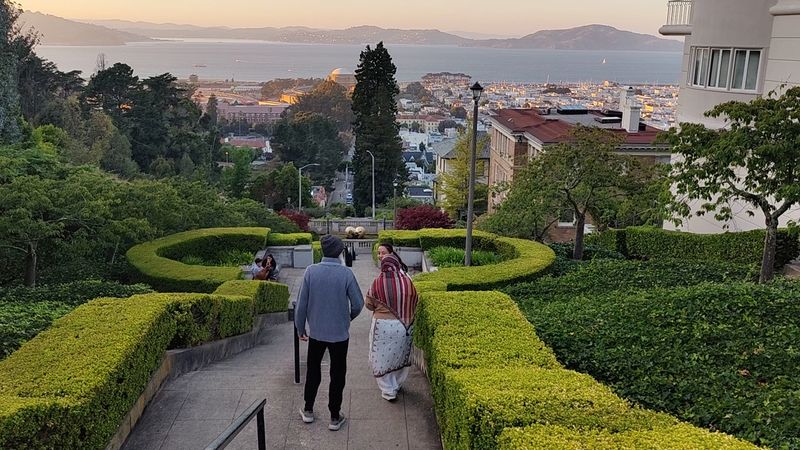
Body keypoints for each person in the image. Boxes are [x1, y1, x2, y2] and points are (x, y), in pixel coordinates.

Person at [294, 235, 364, 431]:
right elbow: (358, 304)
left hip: (316, 333)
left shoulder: (311, 271)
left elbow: (301, 305)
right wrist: (347, 318)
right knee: (338, 373)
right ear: (340, 252)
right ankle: (334, 415)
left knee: (313, 370)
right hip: (340, 334)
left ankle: (308, 409)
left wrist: (301, 328)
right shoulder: (346, 274)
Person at [366, 253, 418, 401]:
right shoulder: (408, 281)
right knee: (400, 355)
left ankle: (388, 390)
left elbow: (369, 304)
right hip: (405, 326)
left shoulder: (377, 282)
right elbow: (415, 299)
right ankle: (397, 383)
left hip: (382, 326)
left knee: (381, 357)